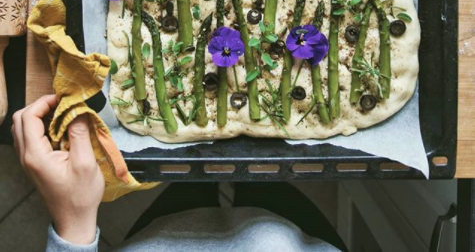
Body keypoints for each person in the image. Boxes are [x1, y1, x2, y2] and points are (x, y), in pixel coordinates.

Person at [12, 95, 348, 252]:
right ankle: (238, 178)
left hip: (164, 234)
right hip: (292, 233)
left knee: (185, 182)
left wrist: (74, 228)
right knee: (262, 171)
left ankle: (210, 183)